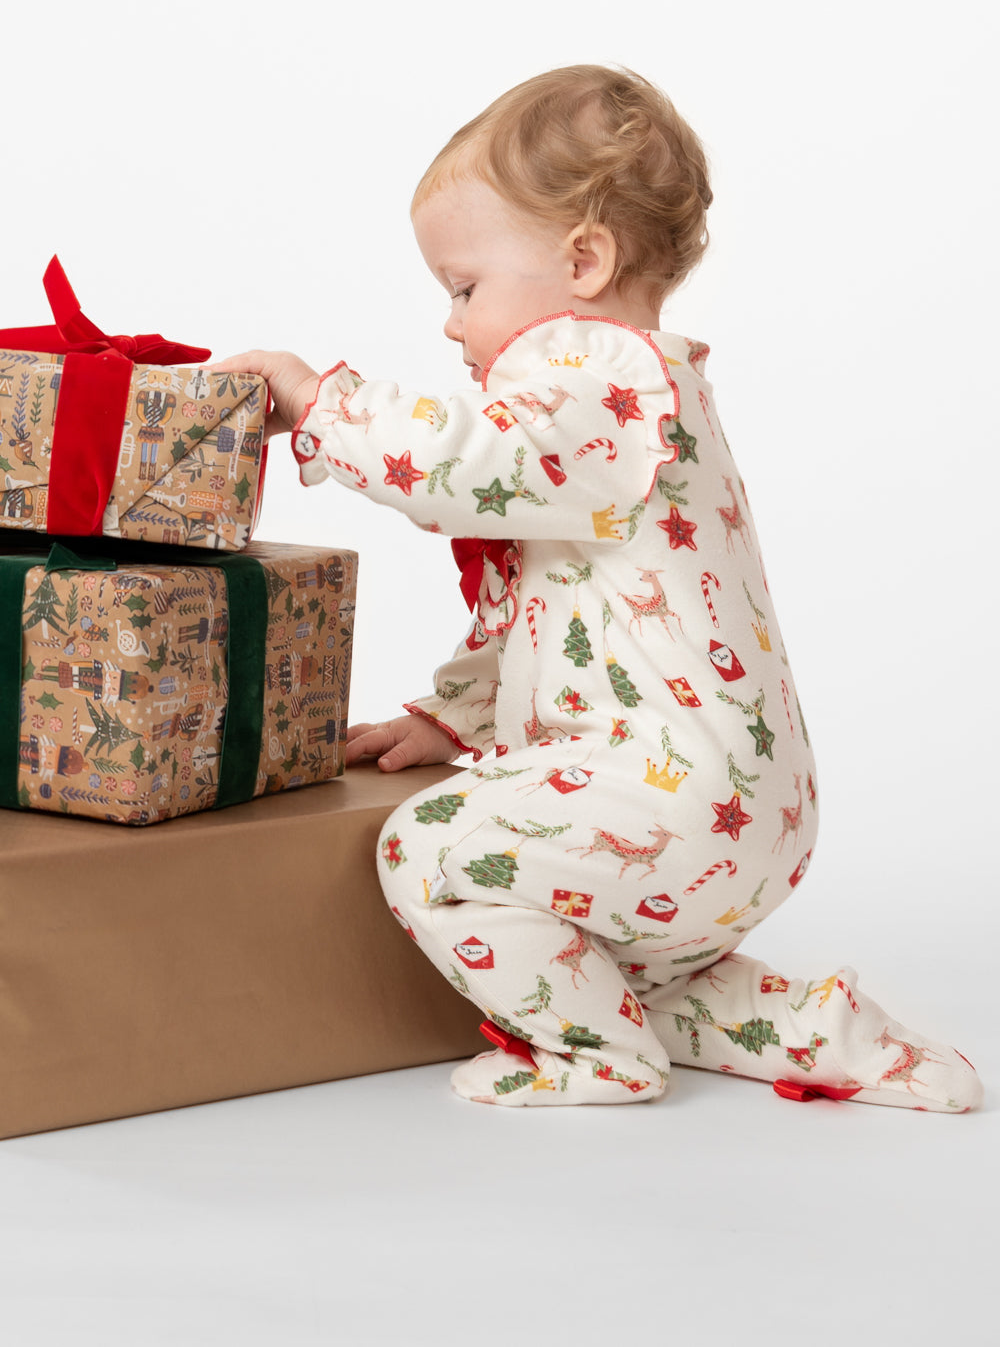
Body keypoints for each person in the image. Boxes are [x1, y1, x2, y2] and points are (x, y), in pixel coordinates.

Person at [216, 65, 982, 1110]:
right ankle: (822, 1035)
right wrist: (455, 716)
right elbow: (536, 590)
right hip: (738, 811)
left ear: (582, 260)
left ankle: (592, 1059)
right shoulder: (621, 404)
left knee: (433, 849)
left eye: (464, 287)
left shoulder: (599, 379)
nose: (449, 324)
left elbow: (465, 466)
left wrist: (322, 405)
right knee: (616, 972)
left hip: (680, 795)